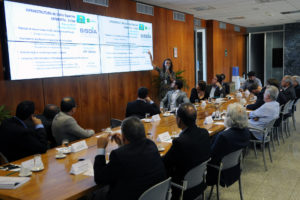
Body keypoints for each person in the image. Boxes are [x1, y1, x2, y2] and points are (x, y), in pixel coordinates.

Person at [93, 117, 166, 200]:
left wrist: (101, 149)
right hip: (155, 196)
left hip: (131, 195)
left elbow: (99, 179)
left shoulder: (118, 155)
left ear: (124, 137)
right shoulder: (151, 145)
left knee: (96, 194)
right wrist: (123, 146)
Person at [163, 103, 211, 200]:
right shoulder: (204, 133)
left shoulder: (180, 142)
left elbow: (165, 163)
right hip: (199, 182)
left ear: (179, 120)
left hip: (182, 187)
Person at [206, 103, 250, 186]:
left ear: (230, 119)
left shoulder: (223, 136)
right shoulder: (246, 132)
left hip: (218, 171)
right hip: (235, 168)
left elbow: (211, 157)